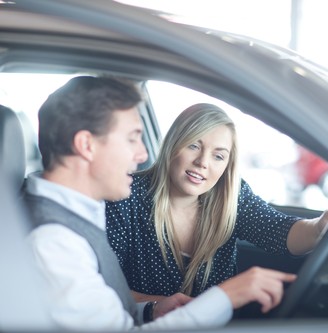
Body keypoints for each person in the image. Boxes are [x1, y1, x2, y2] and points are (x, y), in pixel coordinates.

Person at [22, 76, 296, 331]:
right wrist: (225, 297)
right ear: (86, 145)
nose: (142, 153)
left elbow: (112, 314)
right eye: (132, 138)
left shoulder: (73, 216)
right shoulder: (53, 240)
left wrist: (151, 310)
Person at [106, 103, 328, 302]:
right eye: (194, 146)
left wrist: (321, 226)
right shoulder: (125, 196)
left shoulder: (230, 196)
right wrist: (160, 306)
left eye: (218, 156)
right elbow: (102, 288)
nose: (203, 163)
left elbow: (280, 232)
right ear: (173, 144)